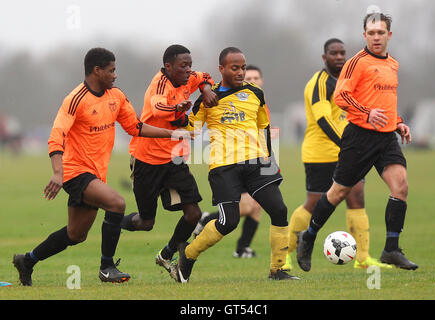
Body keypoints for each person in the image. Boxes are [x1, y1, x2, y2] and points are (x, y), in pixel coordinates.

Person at [12, 48, 192, 286]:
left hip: (95, 174)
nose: (115, 75)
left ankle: (27, 260)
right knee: (117, 203)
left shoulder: (115, 96)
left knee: (75, 235)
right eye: (111, 70)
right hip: (75, 172)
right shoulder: (75, 99)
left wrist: (171, 133)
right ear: (97, 71)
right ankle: (107, 267)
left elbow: (135, 127)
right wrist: (58, 172)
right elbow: (57, 136)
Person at [297, 13, 418, 272]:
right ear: (364, 35)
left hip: (386, 138)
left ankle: (391, 249)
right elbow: (341, 95)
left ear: (389, 35)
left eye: (381, 33)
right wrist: (366, 113)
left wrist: (398, 122)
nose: (376, 37)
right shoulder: (356, 63)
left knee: (401, 186)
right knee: (338, 192)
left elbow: (386, 100)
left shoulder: (393, 64)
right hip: (359, 137)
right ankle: (308, 236)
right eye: (371, 33)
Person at [175, 47, 299, 282]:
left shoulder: (256, 93)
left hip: (255, 164)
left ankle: (278, 270)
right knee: (228, 222)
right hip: (224, 168)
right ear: (221, 69)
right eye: (235, 68)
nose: (241, 72)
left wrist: (269, 159)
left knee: (279, 210)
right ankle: (188, 255)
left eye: (243, 67)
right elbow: (190, 130)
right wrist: (182, 113)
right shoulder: (207, 100)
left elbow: (264, 127)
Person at [284, 38, 391, 270]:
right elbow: (323, 119)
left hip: (349, 151)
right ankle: (285, 254)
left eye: (343, 53)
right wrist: (347, 145)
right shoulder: (319, 84)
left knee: (356, 197)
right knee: (314, 202)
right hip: (321, 152)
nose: (340, 57)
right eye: (334, 53)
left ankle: (362, 259)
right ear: (325, 58)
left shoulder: (351, 81)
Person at [120, 45, 217, 278]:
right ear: (168, 67)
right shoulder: (159, 84)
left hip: (174, 159)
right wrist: (179, 109)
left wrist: (205, 90)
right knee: (146, 222)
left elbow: (205, 76)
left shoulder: (188, 77)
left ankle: (166, 254)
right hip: (147, 160)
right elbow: (158, 107)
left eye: (189, 64)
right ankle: (113, 221)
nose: (188, 70)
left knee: (193, 214)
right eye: (183, 65)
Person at [193, 65, 268, 259]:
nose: (252, 80)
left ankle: (242, 248)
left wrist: (269, 159)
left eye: (256, 77)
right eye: (249, 76)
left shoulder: (257, 98)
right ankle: (207, 219)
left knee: (257, 206)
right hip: (232, 161)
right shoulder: (226, 97)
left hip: (255, 159)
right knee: (244, 208)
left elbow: (263, 132)